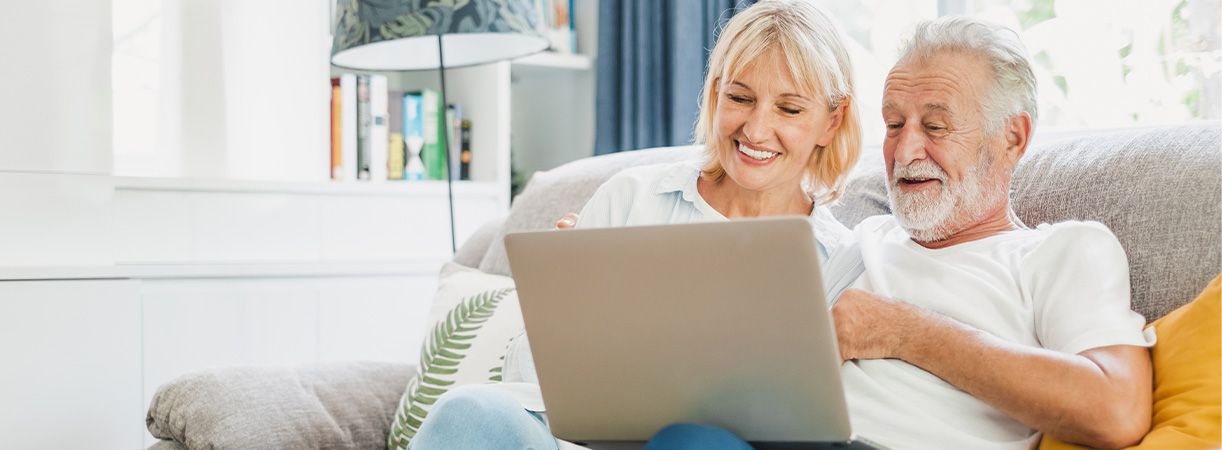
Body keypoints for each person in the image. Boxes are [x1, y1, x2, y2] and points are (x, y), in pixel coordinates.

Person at [555, 15, 1156, 450]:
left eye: (935, 126)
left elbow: (1117, 410)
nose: (905, 150)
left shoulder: (1063, 250)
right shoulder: (853, 243)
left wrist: (904, 332)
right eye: (894, 124)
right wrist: (606, 286)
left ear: (1013, 138)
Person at [408, 0, 860, 449]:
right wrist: (564, 308)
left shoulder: (842, 262)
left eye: (789, 109)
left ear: (832, 120)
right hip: (578, 442)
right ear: (715, 94)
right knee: (469, 410)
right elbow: (525, 381)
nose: (756, 130)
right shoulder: (632, 198)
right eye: (740, 98)